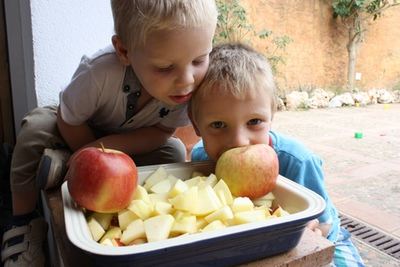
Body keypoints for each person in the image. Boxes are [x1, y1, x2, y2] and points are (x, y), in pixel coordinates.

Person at [1, 1, 218, 266]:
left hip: (125, 143)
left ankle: (64, 165)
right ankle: (23, 222)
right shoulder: (99, 71)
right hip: (74, 131)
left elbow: (162, 131)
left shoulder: (188, 88)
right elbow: (68, 119)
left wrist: (108, 147)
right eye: (164, 68)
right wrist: (89, 154)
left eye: (199, 60)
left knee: (172, 151)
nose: (187, 80)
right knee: (35, 129)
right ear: (124, 50)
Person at [189, 43, 364, 267]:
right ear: (196, 125)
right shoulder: (200, 156)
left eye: (254, 122)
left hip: (329, 240)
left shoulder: (297, 161)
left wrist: (309, 229)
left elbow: (323, 224)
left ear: (272, 114)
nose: (239, 141)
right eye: (218, 124)